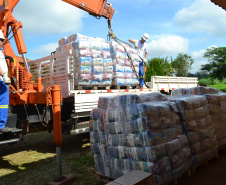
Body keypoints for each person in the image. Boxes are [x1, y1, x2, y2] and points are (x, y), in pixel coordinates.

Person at [0, 30, 14, 133]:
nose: (2, 42)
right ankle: (1, 125)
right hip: (1, 81)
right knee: (3, 103)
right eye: (1, 40)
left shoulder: (1, 52)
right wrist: (4, 75)